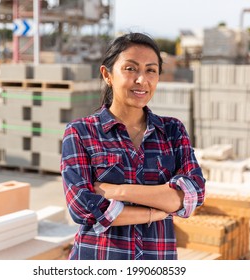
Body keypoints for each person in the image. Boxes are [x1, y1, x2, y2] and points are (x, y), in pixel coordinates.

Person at [60, 32, 205, 260]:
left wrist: (118, 191)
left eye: (151, 70)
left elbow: (192, 195)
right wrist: (155, 212)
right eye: (130, 68)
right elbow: (82, 207)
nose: (142, 80)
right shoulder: (80, 132)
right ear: (107, 75)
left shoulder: (172, 131)